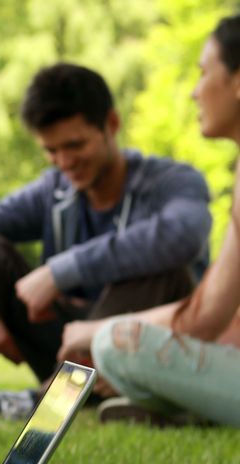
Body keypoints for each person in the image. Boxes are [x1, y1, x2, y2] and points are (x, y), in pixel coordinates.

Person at [0, 63, 213, 420]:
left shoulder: (174, 181)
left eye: (75, 145)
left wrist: (59, 272)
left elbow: (184, 235)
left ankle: (49, 400)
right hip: (66, 345)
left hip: (148, 342)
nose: (65, 162)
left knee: (164, 266)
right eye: (51, 150)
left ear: (112, 124)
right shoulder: (53, 191)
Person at [56, 14, 240, 428]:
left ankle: (175, 405)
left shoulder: (176, 181)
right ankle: (175, 403)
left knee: (117, 345)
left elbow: (205, 316)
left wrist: (94, 330)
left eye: (203, 73)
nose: (194, 92)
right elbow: (224, 318)